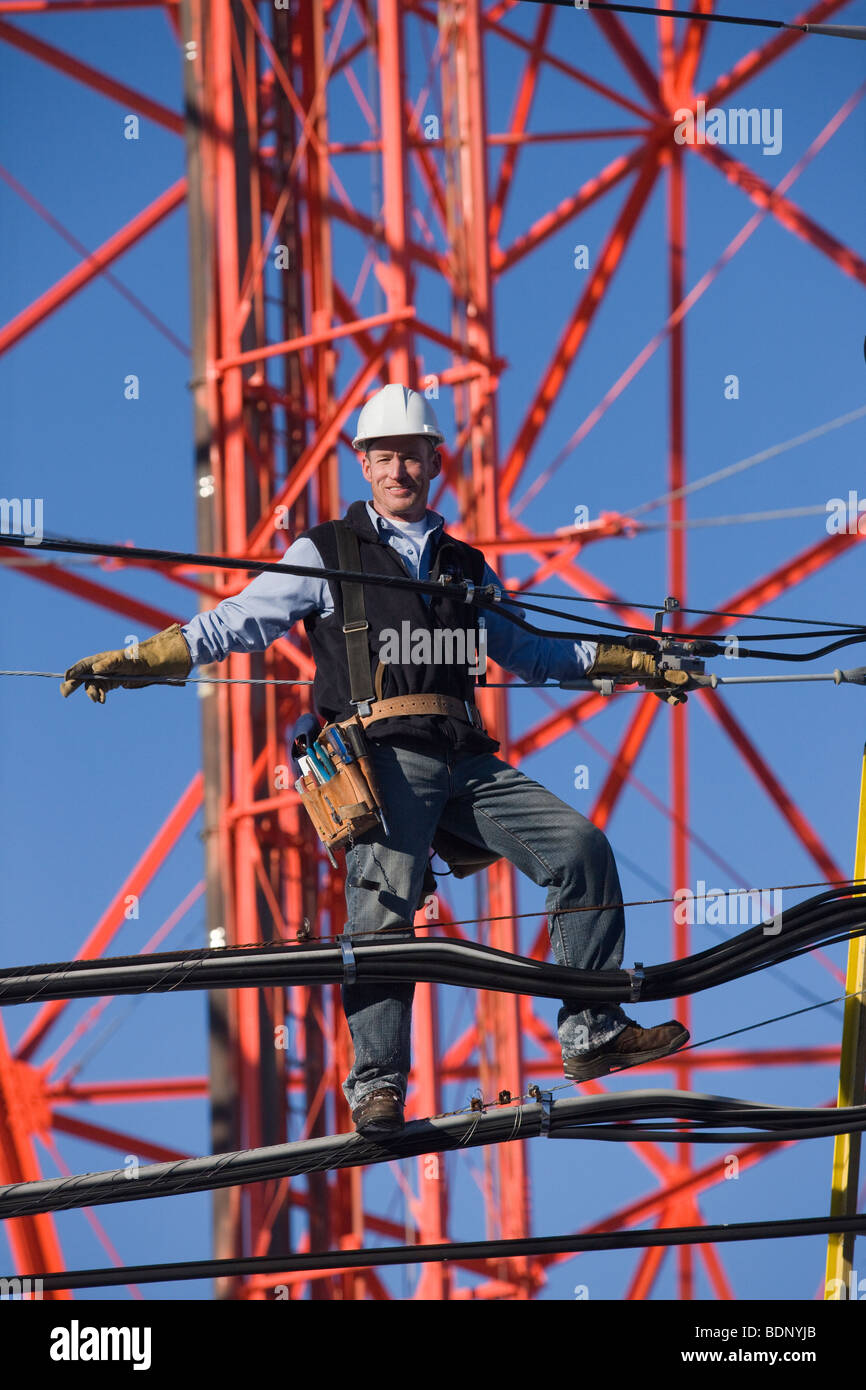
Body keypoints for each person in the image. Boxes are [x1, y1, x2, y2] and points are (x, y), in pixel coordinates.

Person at [60, 383, 690, 1135]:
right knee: (385, 911)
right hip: (381, 755)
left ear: (435, 461)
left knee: (579, 849)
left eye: (412, 455)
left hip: (463, 757)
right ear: (364, 464)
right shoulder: (325, 551)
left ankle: (591, 1031)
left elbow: (532, 652)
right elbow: (240, 622)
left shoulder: (464, 564)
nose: (399, 469)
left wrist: (631, 658)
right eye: (385, 455)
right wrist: (149, 657)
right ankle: (377, 1086)